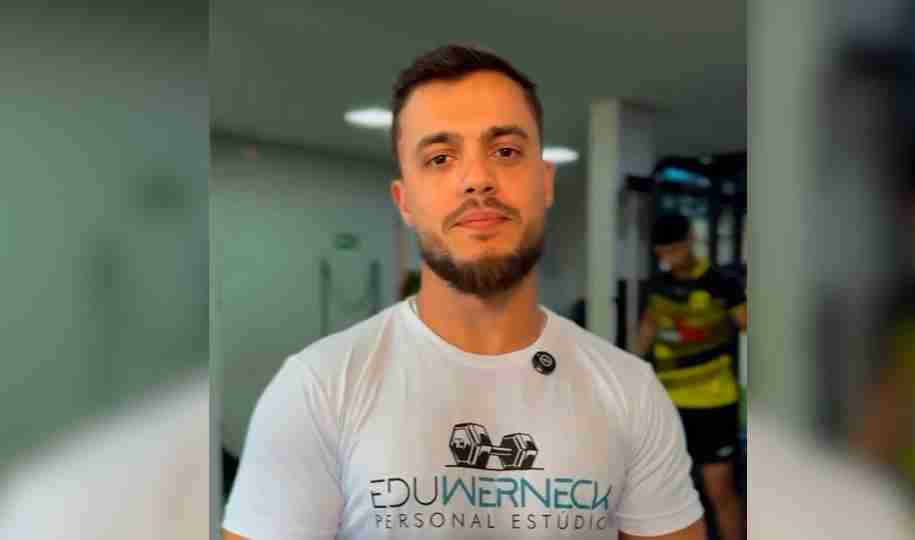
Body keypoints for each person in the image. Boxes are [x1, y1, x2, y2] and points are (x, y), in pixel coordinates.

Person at [222, 44, 706, 539]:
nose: (477, 179)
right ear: (404, 201)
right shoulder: (318, 389)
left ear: (545, 183)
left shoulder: (630, 391)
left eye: (505, 151)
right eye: (440, 158)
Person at [630, 213, 746, 540]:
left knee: (719, 491)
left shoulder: (722, 284)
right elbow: (648, 327)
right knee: (664, 495)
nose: (669, 259)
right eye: (663, 253)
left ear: (690, 239)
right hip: (666, 403)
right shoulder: (659, 285)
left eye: (675, 250)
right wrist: (629, 370)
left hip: (713, 403)